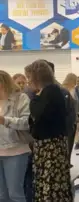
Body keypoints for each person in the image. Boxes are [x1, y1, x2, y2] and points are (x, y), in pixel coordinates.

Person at [25, 60, 73, 201]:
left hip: (51, 147)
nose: (28, 82)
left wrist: (34, 99)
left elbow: (37, 114)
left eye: (29, 77)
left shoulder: (51, 91)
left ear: (36, 77)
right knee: (47, 182)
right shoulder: (47, 92)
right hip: (46, 146)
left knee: (51, 182)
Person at [0, 70, 32, 202]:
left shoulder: (21, 98)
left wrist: (5, 120)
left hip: (16, 151)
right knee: (2, 196)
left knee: (15, 194)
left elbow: (26, 123)